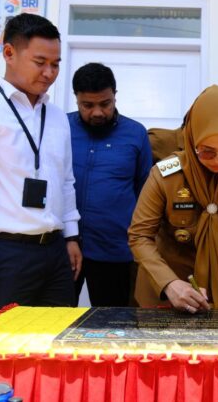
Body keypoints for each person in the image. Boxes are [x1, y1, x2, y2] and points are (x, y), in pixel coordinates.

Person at [0, 13, 82, 317]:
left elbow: (65, 181)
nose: (50, 72)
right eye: (40, 62)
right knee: (3, 353)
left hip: (55, 255)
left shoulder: (58, 116)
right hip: (5, 255)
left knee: (53, 351)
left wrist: (71, 237)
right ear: (9, 53)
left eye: (56, 63)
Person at [128, 85, 218, 312]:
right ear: (191, 138)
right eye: (206, 151)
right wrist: (169, 283)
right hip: (164, 289)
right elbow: (139, 236)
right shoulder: (165, 176)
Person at [68, 62, 152, 307]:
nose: (97, 112)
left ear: (115, 96)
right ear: (77, 100)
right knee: (55, 323)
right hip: (64, 248)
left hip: (114, 251)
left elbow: (145, 192)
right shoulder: (60, 128)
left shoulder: (136, 134)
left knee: (112, 328)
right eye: (87, 105)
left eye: (105, 103)